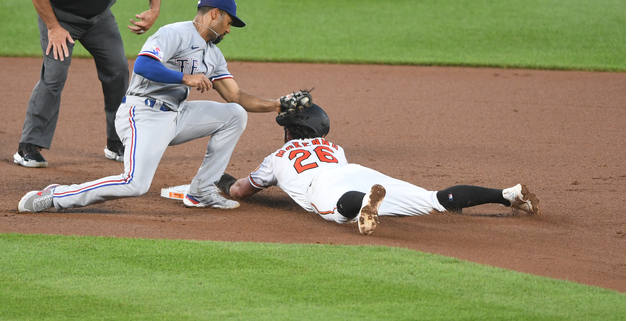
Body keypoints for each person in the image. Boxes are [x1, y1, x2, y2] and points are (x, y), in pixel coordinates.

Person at [18, 0, 288, 213]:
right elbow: (143, 66)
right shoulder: (175, 33)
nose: (230, 30)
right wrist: (184, 78)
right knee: (135, 184)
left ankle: (202, 191)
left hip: (176, 116)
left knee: (235, 114)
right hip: (143, 113)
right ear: (214, 14)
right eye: (229, 22)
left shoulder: (213, 55)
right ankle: (56, 196)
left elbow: (236, 96)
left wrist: (277, 104)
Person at [219, 104, 541, 235]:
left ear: (290, 132)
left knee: (339, 208)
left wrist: (220, 179)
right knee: (435, 199)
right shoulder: (334, 147)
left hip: (326, 184)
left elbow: (241, 190)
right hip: (361, 171)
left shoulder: (277, 156)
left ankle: (363, 205)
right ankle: (505, 195)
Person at [15, 0, 163, 168]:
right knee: (55, 75)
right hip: (60, 19)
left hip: (99, 18)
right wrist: (54, 27)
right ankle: (29, 145)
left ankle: (116, 142)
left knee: (118, 71)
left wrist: (154, 10)